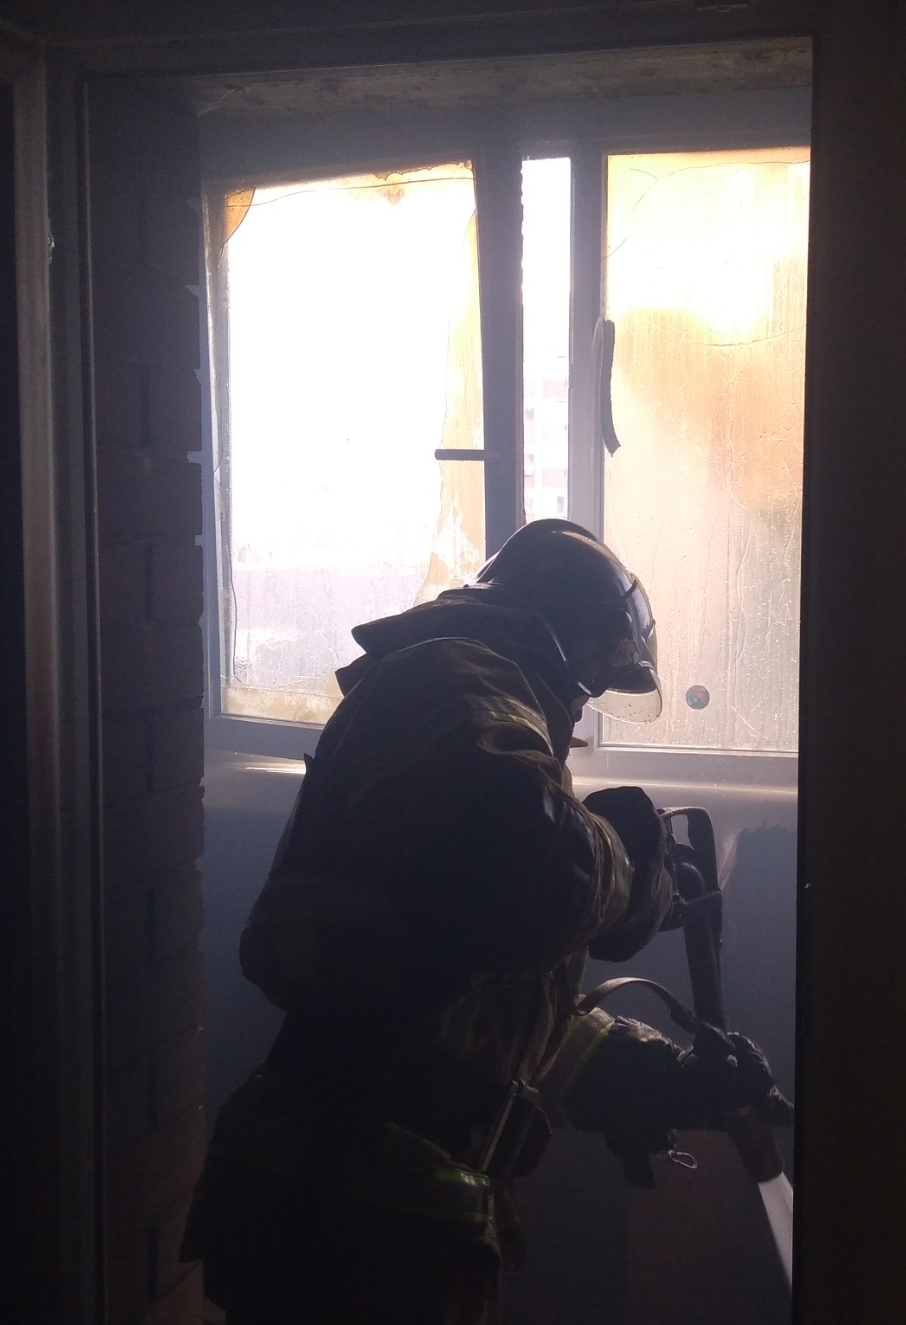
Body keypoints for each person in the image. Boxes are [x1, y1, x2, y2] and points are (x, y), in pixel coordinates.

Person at [183, 519, 792, 1324]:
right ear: (559, 648)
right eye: (589, 687)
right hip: (350, 1210)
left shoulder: (455, 716)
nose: (580, 715)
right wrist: (633, 867)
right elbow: (541, 872)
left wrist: (658, 1079)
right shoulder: (453, 683)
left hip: (371, 1206)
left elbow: (477, 1016)